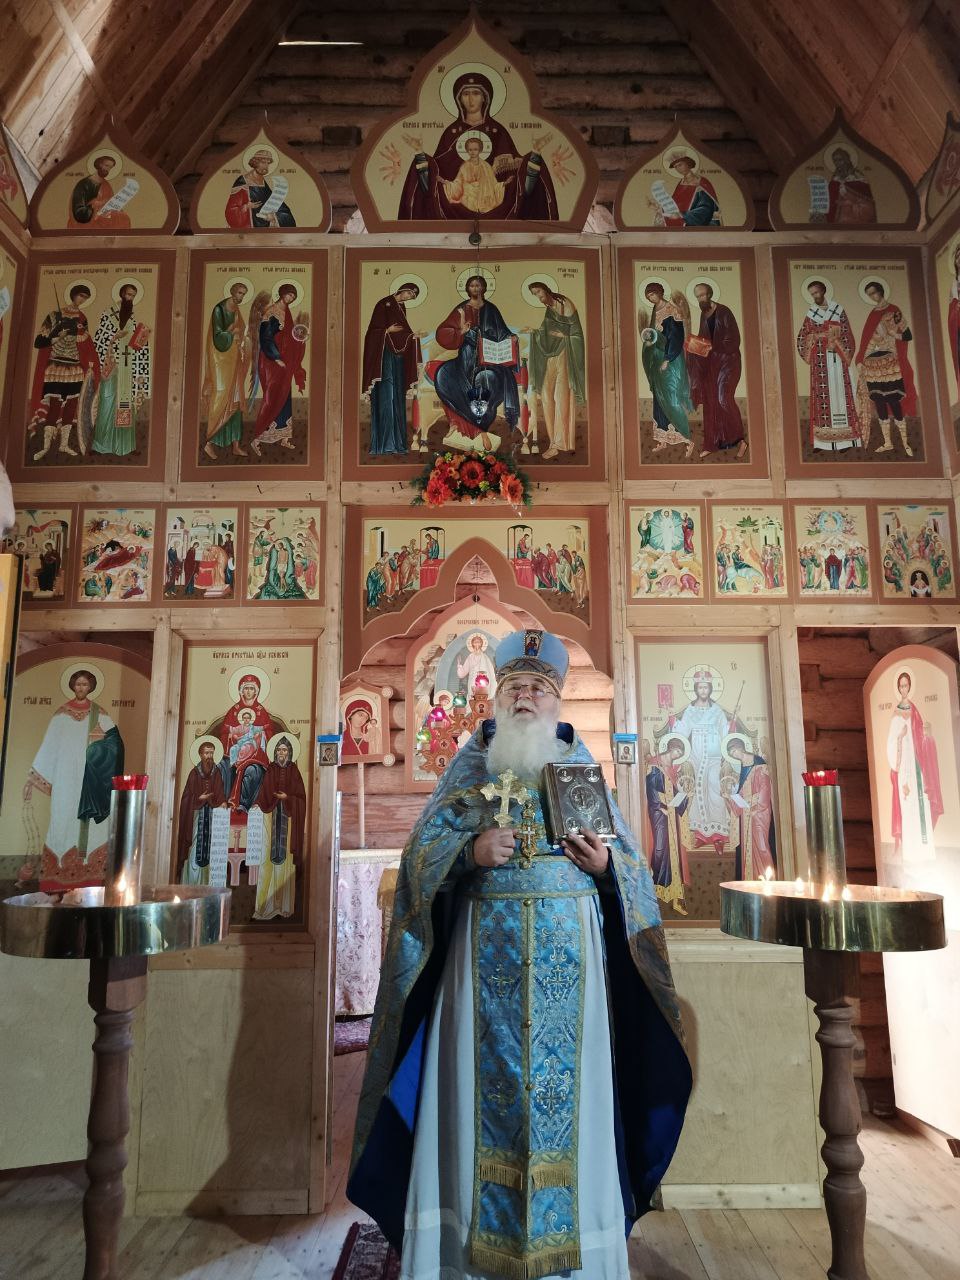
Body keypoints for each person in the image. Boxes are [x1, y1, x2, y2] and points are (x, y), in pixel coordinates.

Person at [349, 629, 691, 1279]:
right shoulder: (471, 767)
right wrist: (468, 853)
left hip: (572, 978)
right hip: (480, 977)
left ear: (557, 700)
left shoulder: (580, 770)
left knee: (572, 1108)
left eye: (538, 686)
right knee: (475, 1108)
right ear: (496, 696)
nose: (526, 696)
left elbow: (634, 878)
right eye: (515, 686)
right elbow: (419, 862)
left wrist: (606, 868)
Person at [399, 71, 557, 222]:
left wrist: (535, 154)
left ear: (485, 98)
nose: (470, 99)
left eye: (476, 93)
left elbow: (517, 176)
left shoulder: (498, 131)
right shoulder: (451, 133)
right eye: (465, 94)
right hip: (456, 201)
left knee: (530, 163)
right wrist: (419, 153)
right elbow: (436, 173)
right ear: (459, 99)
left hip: (492, 199)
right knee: (423, 164)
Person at [20, 669, 125, 891]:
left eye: (85, 684)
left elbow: (116, 745)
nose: (81, 688)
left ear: (91, 687)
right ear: (72, 686)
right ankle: (55, 882)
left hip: (91, 782)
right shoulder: (60, 715)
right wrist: (32, 779)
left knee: (92, 828)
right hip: (65, 779)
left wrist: (101, 745)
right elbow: (49, 748)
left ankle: (90, 880)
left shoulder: (101, 715)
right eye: (78, 684)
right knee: (61, 819)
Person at [427, 274, 520, 452]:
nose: (475, 288)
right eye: (472, 286)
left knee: (487, 381)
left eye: (478, 285)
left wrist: (511, 337)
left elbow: (503, 332)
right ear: (467, 289)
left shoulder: (492, 309)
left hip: (489, 358)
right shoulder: (461, 309)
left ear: (484, 288)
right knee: (446, 377)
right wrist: (461, 332)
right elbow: (443, 332)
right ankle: (468, 427)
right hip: (466, 357)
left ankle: (482, 427)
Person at [27, 283, 101, 460]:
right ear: (73, 295)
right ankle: (46, 446)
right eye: (80, 295)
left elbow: (85, 343)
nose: (82, 300)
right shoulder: (54, 316)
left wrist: (82, 339)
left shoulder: (82, 318)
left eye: (85, 298)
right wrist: (57, 336)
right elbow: (39, 342)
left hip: (75, 368)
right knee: (54, 405)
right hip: (56, 366)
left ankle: (64, 444)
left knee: (71, 406)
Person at [669, 671, 736, 852]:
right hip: (696, 755)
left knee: (715, 792)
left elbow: (724, 731)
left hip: (714, 756)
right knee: (699, 790)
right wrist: (673, 721)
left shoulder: (717, 710)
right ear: (696, 689)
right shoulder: (690, 710)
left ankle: (719, 836)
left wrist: (730, 726)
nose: (703, 690)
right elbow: (682, 731)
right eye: (700, 687)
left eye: (706, 687)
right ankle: (701, 835)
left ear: (710, 689)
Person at [796, 280, 862, 452]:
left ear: (823, 291)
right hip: (820, 362)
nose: (815, 296)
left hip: (838, 361)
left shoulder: (837, 310)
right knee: (822, 399)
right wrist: (815, 337)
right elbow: (803, 336)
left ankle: (845, 441)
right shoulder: (811, 313)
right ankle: (822, 442)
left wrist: (835, 340)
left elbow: (847, 334)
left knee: (840, 396)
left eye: (816, 292)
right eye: (812, 294)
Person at [855, 280, 917, 456]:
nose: (872, 296)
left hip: (890, 363)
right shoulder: (872, 314)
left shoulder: (893, 311)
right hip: (873, 366)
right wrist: (860, 360)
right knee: (879, 403)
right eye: (869, 294)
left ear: (881, 291)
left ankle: (905, 443)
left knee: (894, 401)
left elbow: (907, 335)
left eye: (874, 292)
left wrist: (892, 334)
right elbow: (866, 340)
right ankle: (888, 443)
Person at [887, 671, 943, 859]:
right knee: (908, 804)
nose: (904, 688)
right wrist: (900, 737)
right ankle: (911, 852)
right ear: (898, 688)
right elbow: (891, 743)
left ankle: (925, 850)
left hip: (917, 765)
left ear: (909, 687)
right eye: (901, 686)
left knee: (921, 803)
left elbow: (921, 737)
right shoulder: (896, 714)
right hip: (904, 767)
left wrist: (928, 736)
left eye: (906, 685)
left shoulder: (915, 711)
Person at [526, 281, 585, 459]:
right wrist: (534, 332)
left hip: (565, 353)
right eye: (535, 294)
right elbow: (546, 332)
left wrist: (564, 336)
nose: (538, 296)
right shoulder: (549, 309)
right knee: (545, 395)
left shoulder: (565, 304)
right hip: (550, 355)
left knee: (561, 397)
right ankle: (553, 440)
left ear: (546, 289)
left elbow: (576, 333)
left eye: (538, 292)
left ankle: (559, 443)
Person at [90, 282, 150, 457]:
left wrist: (143, 338)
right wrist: (114, 336)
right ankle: (100, 446)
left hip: (127, 370)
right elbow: (99, 340)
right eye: (128, 295)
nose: (130, 299)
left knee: (126, 405)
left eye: (133, 296)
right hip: (111, 367)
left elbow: (136, 346)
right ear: (122, 294)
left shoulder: (132, 320)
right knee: (107, 404)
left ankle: (125, 447)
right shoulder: (108, 315)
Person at [686, 282, 746, 458]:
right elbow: (704, 338)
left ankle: (741, 441)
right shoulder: (704, 314)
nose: (701, 299)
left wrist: (713, 346)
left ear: (710, 294)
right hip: (712, 363)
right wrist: (693, 344)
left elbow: (734, 340)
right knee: (711, 401)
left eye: (703, 295)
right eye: (698, 296)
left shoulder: (724, 311)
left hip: (729, 362)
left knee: (723, 399)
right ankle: (711, 444)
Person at [362, 283, 422, 456]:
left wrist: (413, 337)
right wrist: (386, 330)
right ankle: (384, 444)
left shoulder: (401, 308)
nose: (409, 297)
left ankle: (398, 443)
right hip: (383, 359)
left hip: (397, 360)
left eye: (412, 297)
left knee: (397, 397)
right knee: (386, 397)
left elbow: (403, 334)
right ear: (402, 289)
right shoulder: (384, 304)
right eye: (409, 293)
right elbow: (372, 332)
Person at [250, 284, 306, 456]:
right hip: (271, 362)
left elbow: (290, 338)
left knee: (285, 395)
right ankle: (257, 438)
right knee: (272, 396)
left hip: (284, 363)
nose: (291, 299)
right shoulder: (271, 312)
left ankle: (284, 438)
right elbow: (265, 338)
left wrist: (300, 340)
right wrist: (276, 357)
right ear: (282, 294)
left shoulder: (287, 313)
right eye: (289, 295)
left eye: (293, 297)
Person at [253, 737, 306, 920]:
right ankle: (265, 908)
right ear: (275, 752)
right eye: (279, 750)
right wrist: (258, 803)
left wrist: (288, 798)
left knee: (285, 865)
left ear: (289, 752)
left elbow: (301, 798)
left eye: (284, 750)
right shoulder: (271, 770)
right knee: (266, 862)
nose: (281, 753)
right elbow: (263, 793)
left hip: (288, 822)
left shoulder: (294, 771)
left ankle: (284, 907)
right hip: (270, 818)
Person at [639, 283, 694, 457]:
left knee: (671, 397)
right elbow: (654, 334)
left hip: (670, 360)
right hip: (656, 360)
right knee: (659, 398)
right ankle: (662, 438)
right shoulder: (655, 310)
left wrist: (667, 359)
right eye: (648, 297)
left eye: (652, 295)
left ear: (659, 293)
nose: (651, 299)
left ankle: (687, 439)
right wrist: (648, 340)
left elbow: (676, 337)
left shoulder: (672, 310)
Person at [202, 282, 250, 459]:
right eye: (239, 293)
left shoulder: (236, 310)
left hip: (234, 362)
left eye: (243, 294)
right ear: (232, 291)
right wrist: (231, 333)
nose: (241, 297)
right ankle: (209, 443)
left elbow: (241, 332)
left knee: (235, 403)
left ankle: (235, 445)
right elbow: (217, 338)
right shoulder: (219, 309)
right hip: (222, 363)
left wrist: (243, 340)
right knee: (221, 398)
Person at [644, 734, 689, 915]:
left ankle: (675, 895)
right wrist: (659, 807)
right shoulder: (654, 765)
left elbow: (675, 792)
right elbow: (651, 789)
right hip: (659, 814)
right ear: (671, 748)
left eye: (680, 754)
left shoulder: (671, 768)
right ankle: (657, 890)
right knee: (660, 848)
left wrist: (685, 796)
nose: (678, 756)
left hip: (671, 815)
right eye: (678, 752)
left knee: (673, 852)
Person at [217, 675, 274, 811]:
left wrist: (259, 735)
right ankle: (224, 803)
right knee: (222, 766)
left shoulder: (261, 711)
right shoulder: (234, 710)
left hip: (255, 754)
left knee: (252, 770)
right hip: (235, 751)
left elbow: (267, 732)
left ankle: (242, 805)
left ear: (256, 691)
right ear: (241, 691)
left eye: (251, 688)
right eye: (246, 688)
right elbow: (225, 732)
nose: (248, 691)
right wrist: (232, 735)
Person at [724, 736, 776, 880]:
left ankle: (767, 879)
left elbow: (765, 788)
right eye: (731, 754)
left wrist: (757, 807)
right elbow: (742, 791)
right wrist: (730, 798)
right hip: (747, 814)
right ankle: (751, 878)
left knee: (761, 845)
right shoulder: (744, 766)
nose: (734, 755)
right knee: (748, 847)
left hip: (759, 813)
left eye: (733, 752)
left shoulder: (759, 763)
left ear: (740, 747)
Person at [176, 740, 227, 884]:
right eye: (206, 753)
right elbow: (186, 797)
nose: (209, 756)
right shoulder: (194, 774)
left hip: (212, 817)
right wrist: (199, 798)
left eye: (211, 753)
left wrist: (222, 802)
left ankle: (206, 884)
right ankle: (190, 883)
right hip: (196, 816)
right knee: (194, 849)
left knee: (211, 849)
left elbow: (220, 792)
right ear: (200, 754)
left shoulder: (216, 772)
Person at [225, 147, 296, 228]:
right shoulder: (242, 182)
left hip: (264, 229)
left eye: (268, 163)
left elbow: (278, 205)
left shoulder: (263, 184)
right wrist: (246, 207)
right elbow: (230, 212)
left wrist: (274, 216)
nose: (266, 166)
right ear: (255, 162)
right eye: (263, 162)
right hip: (248, 229)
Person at [442, 135, 508, 214]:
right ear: (467, 150)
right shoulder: (464, 166)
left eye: (475, 149)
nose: (473, 152)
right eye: (470, 150)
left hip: (484, 199)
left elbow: (493, 184)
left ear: (480, 150)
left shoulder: (486, 166)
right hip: (468, 201)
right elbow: (458, 184)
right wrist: (445, 182)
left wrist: (504, 184)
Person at [653, 152, 720, 227]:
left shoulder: (702, 183)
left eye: (680, 165)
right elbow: (675, 203)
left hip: (695, 223)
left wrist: (682, 215)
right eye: (676, 167)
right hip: (680, 220)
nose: (678, 169)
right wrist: (662, 209)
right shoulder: (681, 183)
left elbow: (706, 209)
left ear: (688, 164)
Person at [69, 154, 131, 229]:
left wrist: (115, 208)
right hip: (86, 220)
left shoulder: (106, 185)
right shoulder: (84, 184)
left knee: (123, 218)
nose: (107, 169)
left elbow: (111, 203)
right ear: (99, 164)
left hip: (103, 217)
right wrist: (95, 206)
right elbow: (79, 212)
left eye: (110, 168)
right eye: (106, 165)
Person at [822, 147, 876, 225]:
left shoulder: (858, 176)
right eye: (835, 161)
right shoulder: (835, 178)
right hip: (837, 220)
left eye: (840, 160)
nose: (837, 163)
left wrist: (850, 200)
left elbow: (868, 203)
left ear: (846, 160)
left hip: (855, 219)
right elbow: (830, 203)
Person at [456, 632, 497, 698]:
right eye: (475, 642)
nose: (477, 644)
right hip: (472, 681)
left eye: (479, 642)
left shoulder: (485, 657)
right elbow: (462, 673)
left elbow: (490, 672)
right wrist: (459, 665)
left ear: (481, 644)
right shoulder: (470, 657)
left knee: (483, 698)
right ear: (472, 644)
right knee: (473, 697)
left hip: (483, 682)